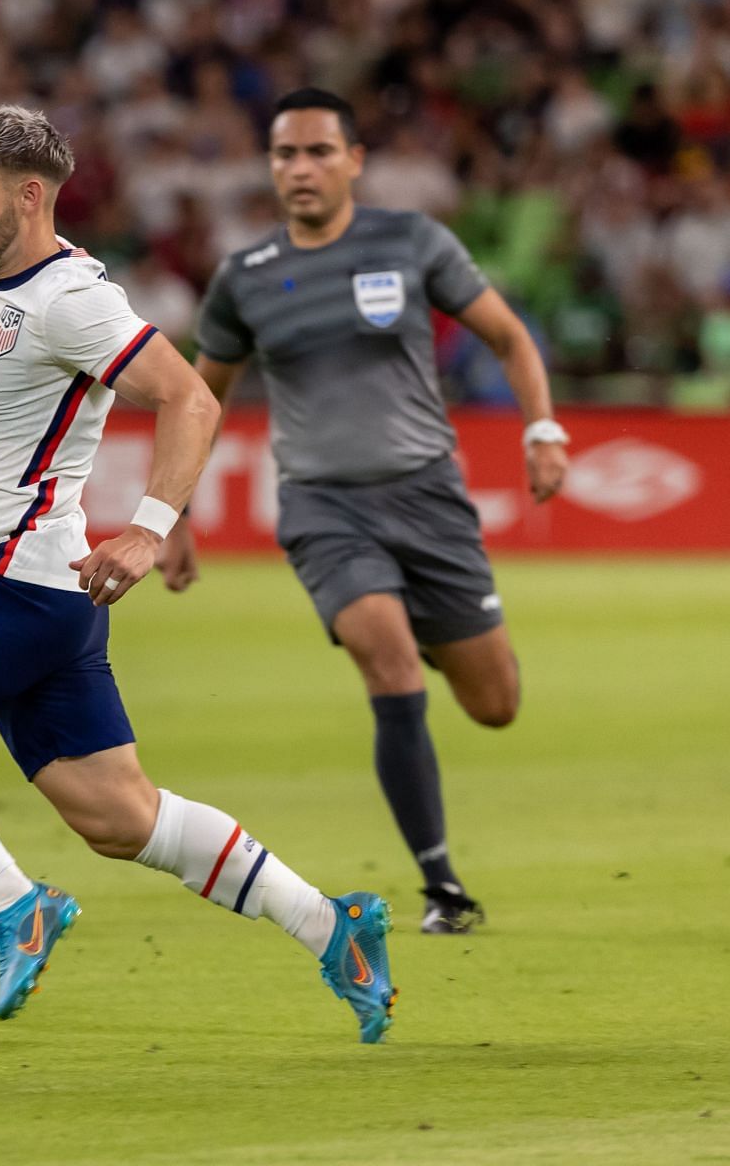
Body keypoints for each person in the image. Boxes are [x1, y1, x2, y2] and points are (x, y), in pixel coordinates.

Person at [0, 39, 396, 1042]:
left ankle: (15, 901)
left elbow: (188, 398)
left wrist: (148, 527)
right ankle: (331, 926)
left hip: (17, 583)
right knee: (122, 819)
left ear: (32, 193)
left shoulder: (72, 300)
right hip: (45, 595)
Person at [157, 88, 571, 935]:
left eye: (317, 152)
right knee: (390, 666)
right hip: (323, 507)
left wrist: (542, 427)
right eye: (284, 155)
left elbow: (510, 337)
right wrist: (174, 515)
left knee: (495, 704)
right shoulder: (246, 279)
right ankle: (442, 887)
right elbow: (201, 399)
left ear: (354, 161)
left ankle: (408, 615)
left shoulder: (412, 242)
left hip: (430, 501)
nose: (300, 169)